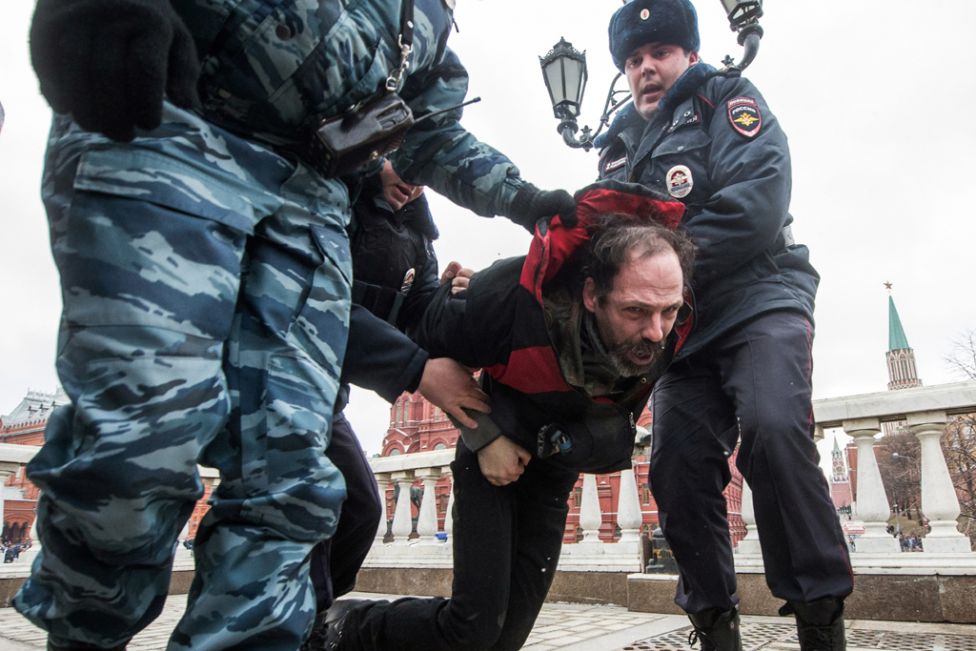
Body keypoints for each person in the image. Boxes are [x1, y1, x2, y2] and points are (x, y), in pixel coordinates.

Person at [15, 1, 577, 649]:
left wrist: (527, 201)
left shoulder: (430, 26)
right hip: (176, 124)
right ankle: (84, 635)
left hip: (309, 199)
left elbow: (433, 133)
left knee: (286, 480)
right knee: (139, 436)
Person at [313, 181, 697, 651]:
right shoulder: (510, 300)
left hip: (553, 470)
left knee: (507, 638)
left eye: (669, 310)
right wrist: (486, 435)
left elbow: (612, 431)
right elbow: (424, 345)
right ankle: (345, 627)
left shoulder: (669, 329)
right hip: (493, 462)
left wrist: (556, 444)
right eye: (636, 310)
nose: (656, 331)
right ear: (592, 294)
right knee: (472, 630)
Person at [595, 2, 853, 649]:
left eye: (659, 52)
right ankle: (714, 623)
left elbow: (758, 203)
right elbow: (601, 243)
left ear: (687, 52)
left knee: (771, 428)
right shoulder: (618, 144)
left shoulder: (727, 97)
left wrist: (655, 268)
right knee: (675, 468)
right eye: (633, 59)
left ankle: (820, 621)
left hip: (761, 293)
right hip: (679, 328)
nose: (645, 68)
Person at [308, 160, 489, 629]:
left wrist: (457, 297)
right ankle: (291, 622)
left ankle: (307, 617)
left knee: (360, 510)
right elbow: (318, 303)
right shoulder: (335, 198)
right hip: (280, 382)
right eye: (403, 162)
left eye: (427, 167)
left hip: (326, 397)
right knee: (306, 513)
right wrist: (418, 370)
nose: (413, 181)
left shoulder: (414, 233)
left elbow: (418, 316)